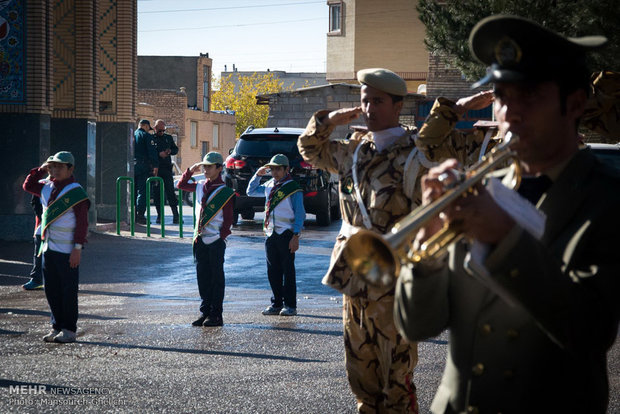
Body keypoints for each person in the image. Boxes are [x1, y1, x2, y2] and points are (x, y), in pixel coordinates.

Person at [394, 15, 618, 414]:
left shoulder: (607, 197)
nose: (509, 113)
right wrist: (426, 245)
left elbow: (591, 330)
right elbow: (417, 327)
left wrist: (505, 239)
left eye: (528, 95)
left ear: (576, 103)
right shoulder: (481, 187)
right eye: (500, 96)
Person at [23, 151, 90, 343]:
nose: (55, 170)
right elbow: (28, 185)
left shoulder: (76, 191)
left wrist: (77, 248)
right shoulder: (46, 186)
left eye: (60, 167)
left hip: (68, 250)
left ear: (71, 169)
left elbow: (82, 223)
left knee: (68, 291)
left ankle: (69, 329)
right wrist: (40, 170)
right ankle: (56, 326)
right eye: (52, 166)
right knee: (51, 289)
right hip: (48, 248)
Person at [177, 152, 234, 327]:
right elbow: (181, 185)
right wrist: (190, 171)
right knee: (202, 277)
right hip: (200, 238)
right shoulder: (201, 184)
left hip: (215, 240)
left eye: (209, 166)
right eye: (204, 166)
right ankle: (205, 312)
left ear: (219, 168)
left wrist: (221, 238)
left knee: (216, 278)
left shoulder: (225, 192)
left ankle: (216, 314)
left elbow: (229, 219)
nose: (206, 169)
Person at [247, 154, 305, 317]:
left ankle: (290, 305)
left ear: (287, 169)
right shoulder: (269, 185)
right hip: (270, 232)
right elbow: (251, 191)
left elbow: (300, 213)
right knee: (273, 270)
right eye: (272, 169)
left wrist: (296, 235)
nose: (275, 172)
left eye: (278, 169)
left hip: (286, 233)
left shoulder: (292, 187)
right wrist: (257, 175)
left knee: (288, 270)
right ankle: (276, 303)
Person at [152, 119, 180, 224]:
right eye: (160, 130)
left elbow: (175, 149)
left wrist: (169, 151)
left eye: (163, 130)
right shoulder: (152, 138)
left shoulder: (168, 138)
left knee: (170, 192)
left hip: (167, 168)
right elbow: (149, 152)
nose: (162, 133)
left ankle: (176, 215)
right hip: (156, 168)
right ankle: (159, 216)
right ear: (155, 128)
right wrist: (158, 154)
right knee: (157, 193)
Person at [134, 119, 159, 224]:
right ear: (145, 126)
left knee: (132, 190)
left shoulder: (132, 134)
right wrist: (155, 166)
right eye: (149, 128)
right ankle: (140, 215)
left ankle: (133, 214)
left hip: (132, 165)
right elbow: (152, 152)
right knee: (143, 191)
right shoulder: (147, 136)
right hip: (143, 166)